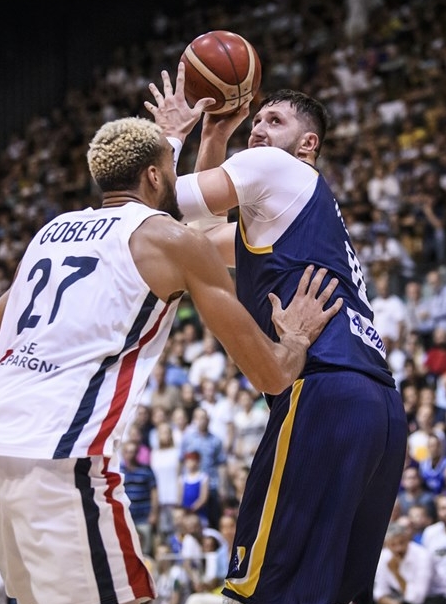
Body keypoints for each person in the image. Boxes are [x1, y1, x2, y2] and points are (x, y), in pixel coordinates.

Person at [0, 116, 342, 604]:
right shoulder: (170, 240)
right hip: (57, 456)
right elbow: (270, 373)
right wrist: (295, 340)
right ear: (158, 178)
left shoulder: (50, 234)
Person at [145, 68, 407, 603]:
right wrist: (216, 135)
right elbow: (193, 241)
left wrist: (175, 133)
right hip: (378, 405)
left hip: (323, 391)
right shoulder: (301, 212)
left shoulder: (274, 168)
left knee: (264, 588)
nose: (259, 128)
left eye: (276, 119)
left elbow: (164, 205)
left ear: (307, 143)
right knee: (335, 592)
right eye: (256, 120)